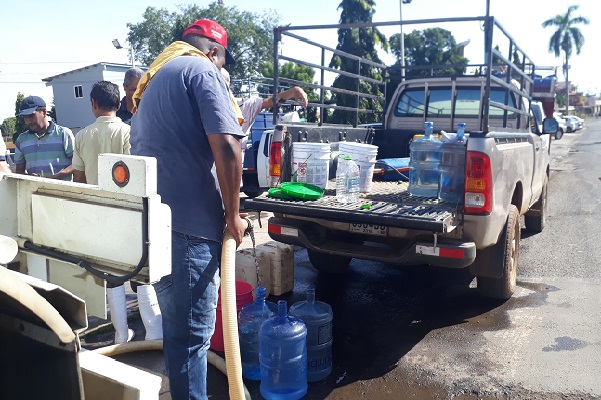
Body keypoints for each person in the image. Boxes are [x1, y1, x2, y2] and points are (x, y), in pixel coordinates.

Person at [129, 19, 247, 400]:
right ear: (214, 52)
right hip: (190, 230)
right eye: (223, 63)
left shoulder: (157, 77)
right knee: (192, 339)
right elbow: (228, 146)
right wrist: (232, 214)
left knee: (179, 336)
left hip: (155, 226)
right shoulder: (201, 69)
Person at [72, 81, 162, 343]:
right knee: (141, 271)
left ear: (94, 105)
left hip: (99, 214)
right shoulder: (128, 132)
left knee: (111, 275)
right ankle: (154, 331)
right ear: (120, 103)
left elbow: (79, 180)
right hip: (130, 214)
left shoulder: (82, 136)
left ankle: (121, 335)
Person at [14, 96, 74, 180]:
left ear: (44, 112)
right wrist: (30, 178)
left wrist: (57, 176)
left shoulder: (63, 134)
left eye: (31, 116)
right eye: (25, 117)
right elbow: (19, 172)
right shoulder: (21, 140)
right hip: (34, 191)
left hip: (62, 191)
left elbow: (77, 164)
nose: (28, 121)